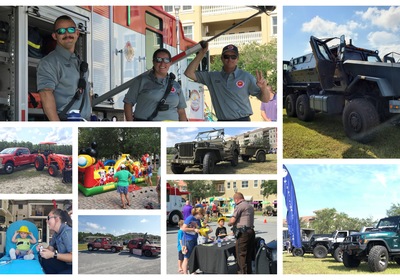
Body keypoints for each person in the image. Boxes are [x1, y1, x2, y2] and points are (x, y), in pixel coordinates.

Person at [184, 42, 273, 121]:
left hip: (242, 120)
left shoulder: (246, 77)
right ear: (222, 58)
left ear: (237, 59)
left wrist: (263, 88)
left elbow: (265, 100)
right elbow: (189, 73)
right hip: (222, 121)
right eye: (226, 56)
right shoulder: (212, 77)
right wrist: (202, 53)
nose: (230, 59)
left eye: (233, 57)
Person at [37, 15, 91, 121]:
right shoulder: (49, 62)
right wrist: (59, 127)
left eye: (71, 29)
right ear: (55, 36)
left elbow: (86, 94)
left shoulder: (82, 64)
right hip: (66, 121)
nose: (67, 34)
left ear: (77, 33)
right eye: (61, 31)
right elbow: (46, 94)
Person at [123, 48, 188, 121]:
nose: (162, 63)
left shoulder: (175, 85)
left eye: (166, 60)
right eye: (159, 60)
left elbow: (181, 111)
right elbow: (128, 103)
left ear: (170, 63)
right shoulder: (141, 81)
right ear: (153, 62)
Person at [38, 208, 72, 274]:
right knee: (45, 260)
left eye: (48, 218)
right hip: (64, 263)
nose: (46, 221)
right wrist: (41, 249)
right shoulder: (56, 233)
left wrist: (54, 255)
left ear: (57, 219)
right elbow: (50, 249)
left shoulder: (68, 233)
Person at [228, 192, 255, 274]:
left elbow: (232, 220)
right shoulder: (250, 206)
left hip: (243, 233)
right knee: (248, 255)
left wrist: (228, 223)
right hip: (251, 231)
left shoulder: (239, 206)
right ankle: (249, 272)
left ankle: (241, 273)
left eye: (234, 200)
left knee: (241, 255)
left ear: (236, 199)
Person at [181, 207, 204, 274]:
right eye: (202, 215)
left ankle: (192, 271)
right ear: (199, 213)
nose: (202, 216)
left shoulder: (198, 220)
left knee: (192, 257)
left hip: (194, 239)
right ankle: (185, 274)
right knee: (186, 258)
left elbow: (199, 228)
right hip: (187, 240)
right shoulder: (190, 218)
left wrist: (204, 230)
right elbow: (183, 228)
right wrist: (194, 230)